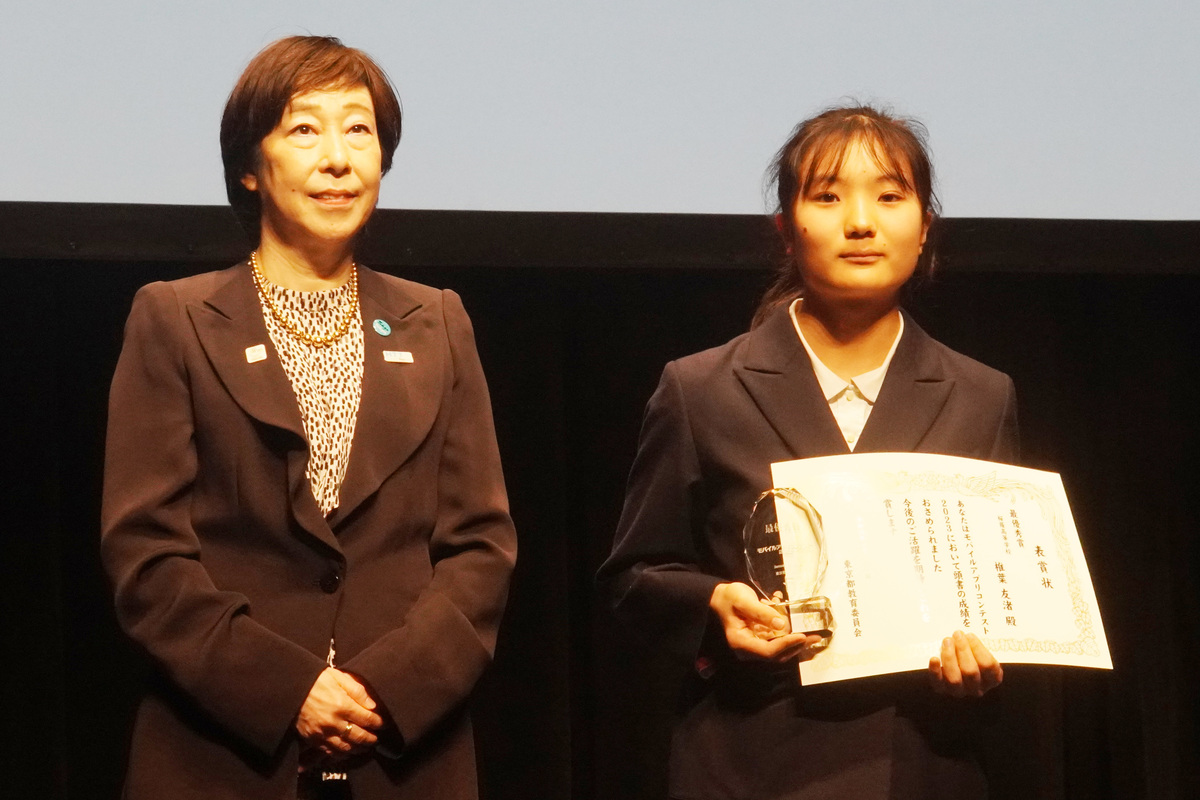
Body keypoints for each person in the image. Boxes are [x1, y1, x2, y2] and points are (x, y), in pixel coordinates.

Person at [101, 36, 516, 800]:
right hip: (219, 758)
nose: (337, 157)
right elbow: (146, 556)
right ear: (250, 168)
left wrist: (385, 688)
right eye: (304, 129)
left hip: (401, 755)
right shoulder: (175, 317)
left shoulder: (439, 321)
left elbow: (481, 548)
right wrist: (291, 689)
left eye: (359, 130)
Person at [598, 104, 1015, 800]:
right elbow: (635, 577)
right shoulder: (702, 388)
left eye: (889, 195)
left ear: (924, 231)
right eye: (828, 195)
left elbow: (1000, 589)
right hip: (750, 759)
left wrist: (983, 665)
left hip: (919, 762)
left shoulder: (981, 395)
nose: (860, 221)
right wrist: (716, 607)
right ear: (786, 230)